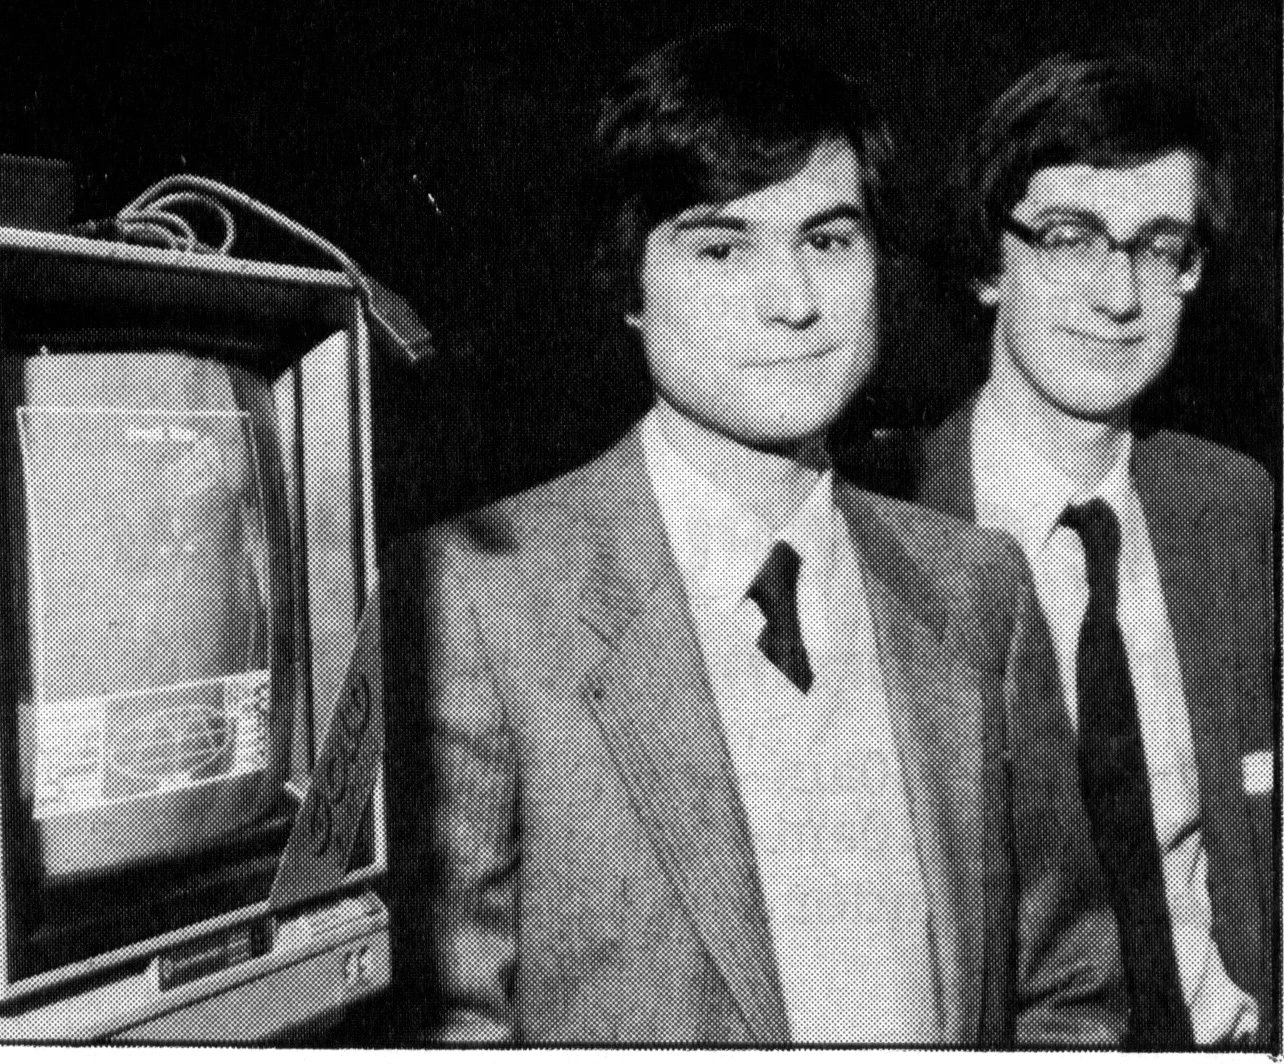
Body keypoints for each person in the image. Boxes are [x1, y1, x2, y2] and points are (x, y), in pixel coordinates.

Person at [383, 26, 1123, 1045]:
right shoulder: (477, 594)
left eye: (828, 240)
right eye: (722, 248)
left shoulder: (978, 586)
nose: (794, 303)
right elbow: (450, 1028)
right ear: (630, 286)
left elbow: (1070, 986)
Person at [912, 51, 1276, 1047]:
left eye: (1159, 247)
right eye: (1071, 238)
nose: (1119, 294)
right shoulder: (891, 522)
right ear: (988, 261)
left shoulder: (1229, 506)